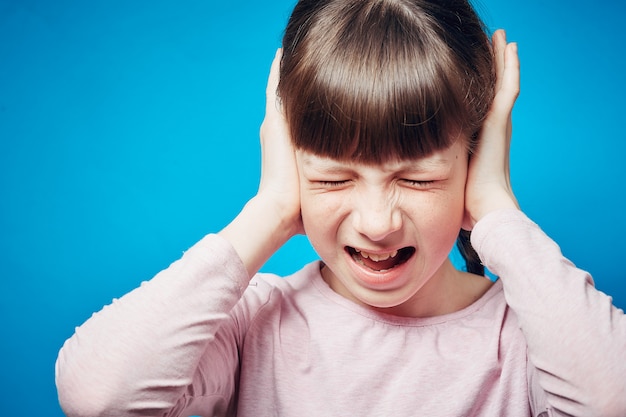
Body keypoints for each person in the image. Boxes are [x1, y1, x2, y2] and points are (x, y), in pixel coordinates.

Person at [55, 0, 626, 416]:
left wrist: (498, 212)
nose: (377, 223)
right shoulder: (252, 327)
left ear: (473, 165)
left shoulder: (528, 341)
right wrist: (273, 208)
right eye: (333, 178)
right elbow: (98, 396)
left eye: (418, 178)